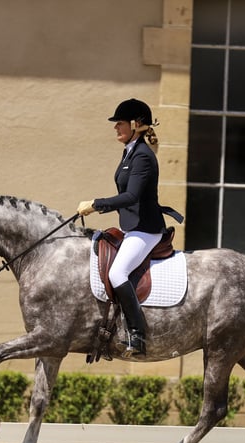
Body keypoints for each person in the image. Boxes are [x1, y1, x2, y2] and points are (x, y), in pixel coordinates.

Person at [77, 98, 182, 357]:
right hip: (132, 227)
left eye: (120, 123)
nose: (116, 128)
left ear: (136, 124)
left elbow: (132, 196)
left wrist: (96, 204)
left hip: (145, 229)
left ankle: (137, 334)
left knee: (117, 274)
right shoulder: (131, 151)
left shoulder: (143, 156)